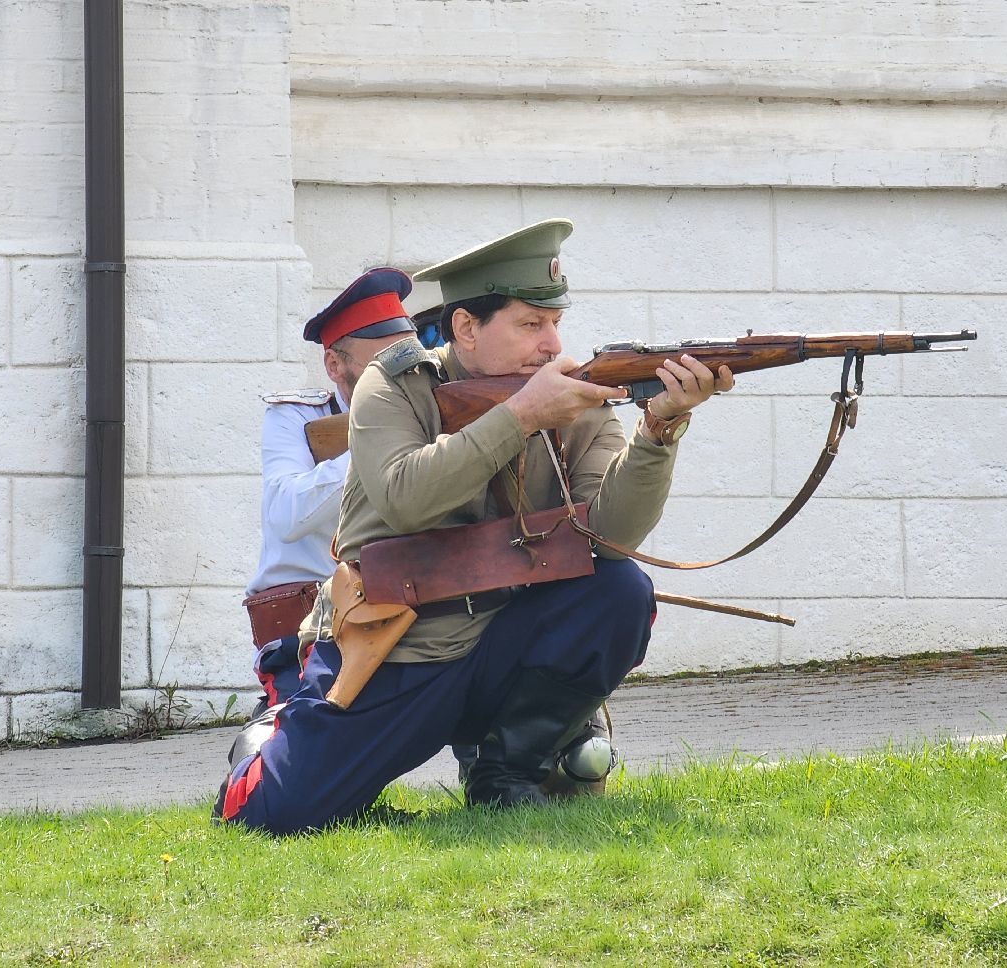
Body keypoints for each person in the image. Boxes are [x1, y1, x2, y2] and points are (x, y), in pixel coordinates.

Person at [215, 218, 734, 833]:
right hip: (399, 645)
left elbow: (613, 535)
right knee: (268, 815)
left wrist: (660, 428)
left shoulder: (572, 397)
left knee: (620, 591)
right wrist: (519, 417)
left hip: (506, 643)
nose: (550, 344)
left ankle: (508, 772)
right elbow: (407, 498)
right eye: (529, 324)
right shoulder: (396, 384)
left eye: (554, 323)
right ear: (465, 327)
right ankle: (275, 719)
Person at [243, 268, 418, 711]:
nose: (399, 374)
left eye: (406, 357)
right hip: (304, 626)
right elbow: (286, 516)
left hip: (405, 612)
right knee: (296, 741)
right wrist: (377, 443)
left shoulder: (428, 406)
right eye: (382, 361)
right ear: (334, 365)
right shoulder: (298, 419)